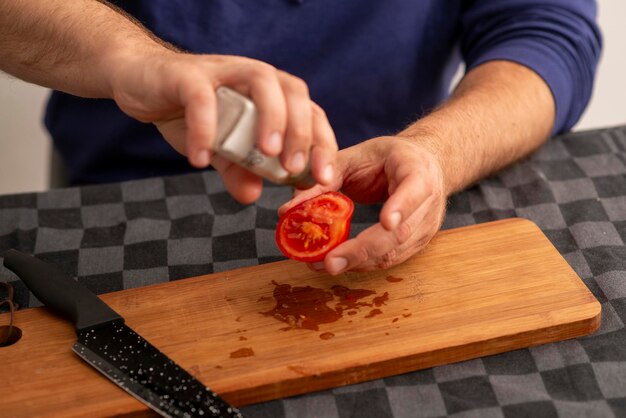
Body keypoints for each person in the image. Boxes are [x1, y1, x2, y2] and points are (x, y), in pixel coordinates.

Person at [0, 1, 601, 275]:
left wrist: (439, 151)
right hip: (121, 201)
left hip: (384, 200)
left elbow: (546, 30)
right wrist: (128, 59)